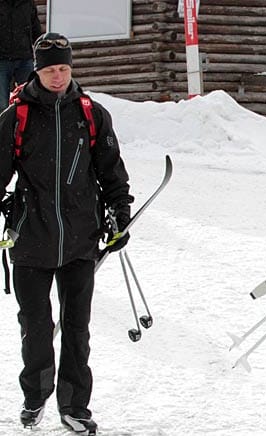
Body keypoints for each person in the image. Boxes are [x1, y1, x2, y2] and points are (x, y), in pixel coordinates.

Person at [0, 33, 133, 435]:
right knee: (36, 328)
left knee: (77, 330)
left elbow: (111, 169)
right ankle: (35, 396)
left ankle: (75, 405)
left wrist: (119, 213)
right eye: (49, 69)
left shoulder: (91, 114)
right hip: (30, 239)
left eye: (63, 68)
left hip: (80, 239)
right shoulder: (16, 117)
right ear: (36, 71)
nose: (58, 76)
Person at [0, 0, 43, 111]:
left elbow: (35, 29)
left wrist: (41, 47)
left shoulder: (28, 3)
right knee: (2, 104)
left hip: (25, 59)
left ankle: (29, 127)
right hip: (2, 60)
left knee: (31, 99)